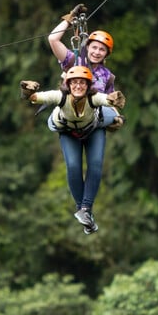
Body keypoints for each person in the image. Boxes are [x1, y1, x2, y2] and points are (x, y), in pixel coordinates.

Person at [20, 66, 126, 234]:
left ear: (88, 85)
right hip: (68, 131)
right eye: (74, 83)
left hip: (92, 129)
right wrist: (27, 91)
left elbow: (107, 100)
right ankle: (83, 212)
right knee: (74, 166)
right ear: (68, 85)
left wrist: (114, 100)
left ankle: (85, 209)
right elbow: (35, 97)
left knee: (96, 164)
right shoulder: (60, 96)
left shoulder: (93, 98)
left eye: (82, 83)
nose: (78, 86)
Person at [47, 3, 124, 131]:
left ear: (106, 54)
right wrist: (70, 19)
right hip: (70, 117)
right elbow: (53, 39)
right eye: (94, 47)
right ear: (87, 47)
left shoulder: (107, 76)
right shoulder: (74, 60)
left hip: (92, 121)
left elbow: (110, 101)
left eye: (102, 50)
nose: (97, 52)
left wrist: (117, 117)